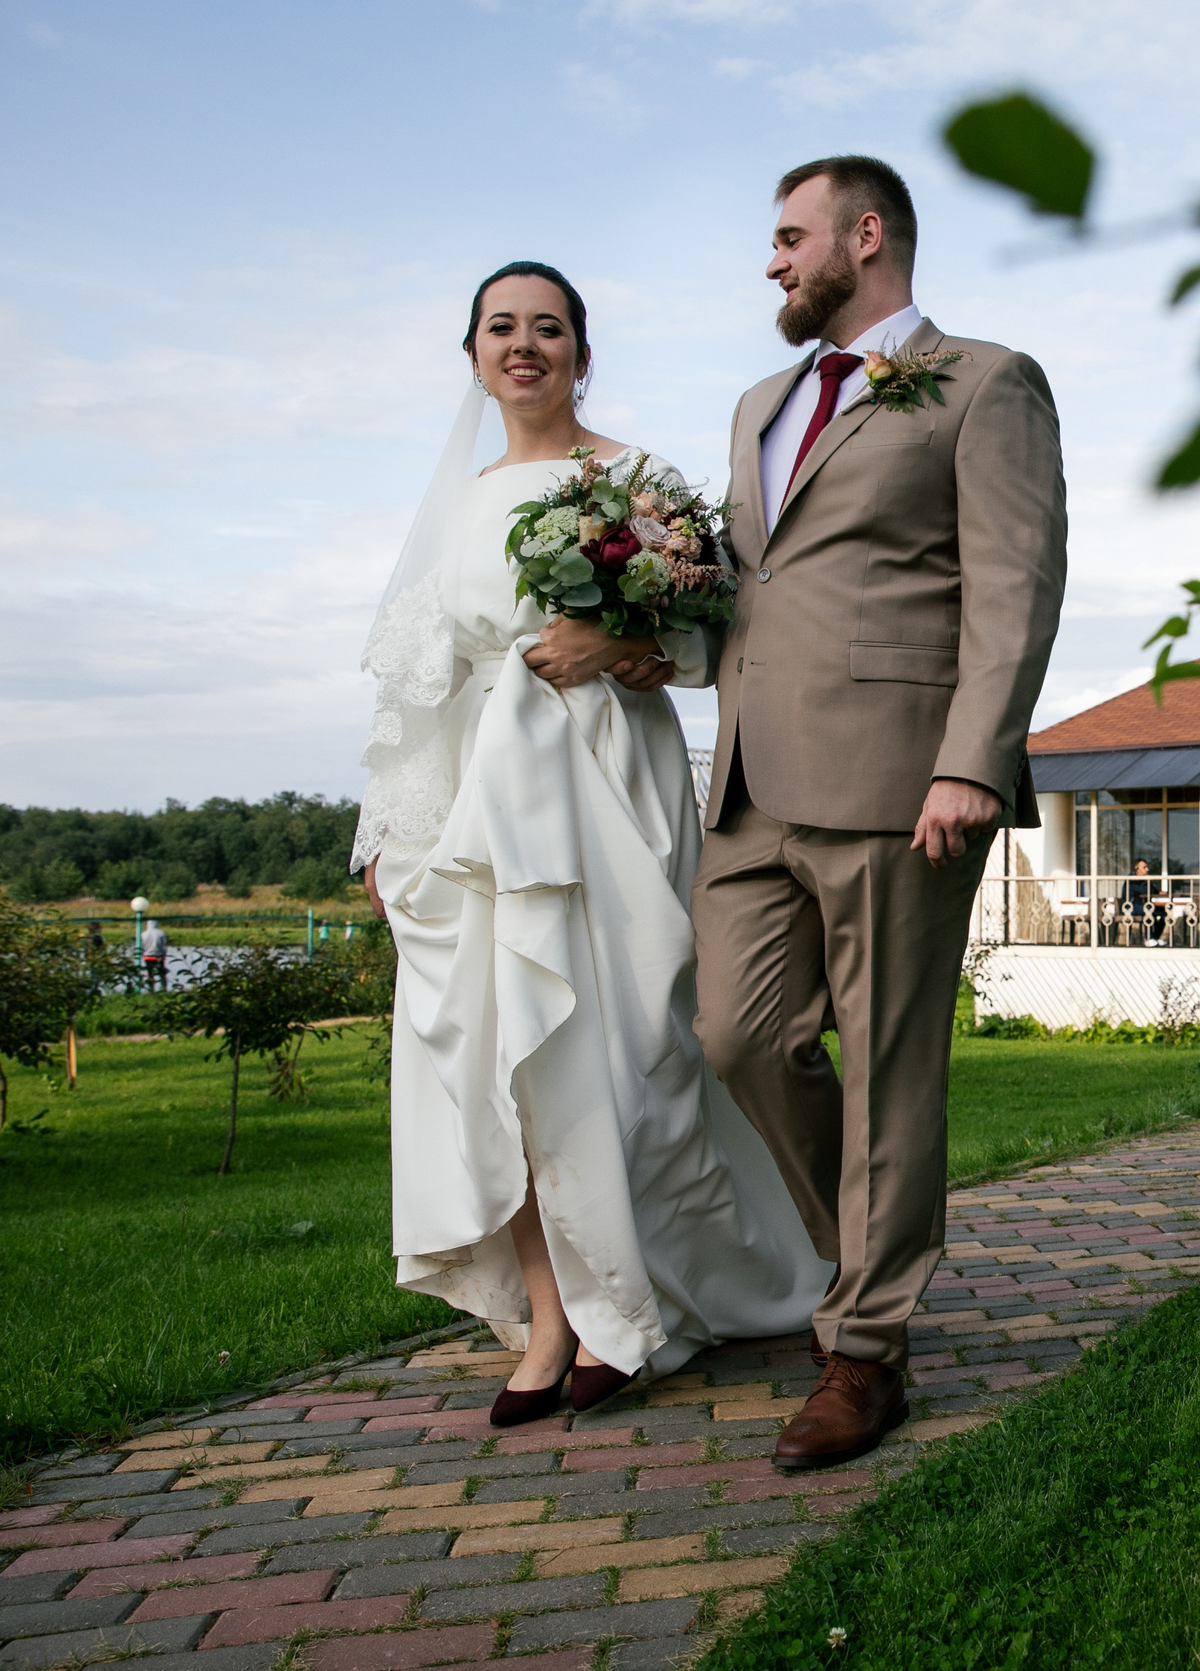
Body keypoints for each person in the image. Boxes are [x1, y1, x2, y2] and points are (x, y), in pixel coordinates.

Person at [352, 261, 829, 1428]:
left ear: (582, 351)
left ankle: (639, 1300)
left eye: (549, 328)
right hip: (475, 806)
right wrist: (385, 835)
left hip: (610, 781)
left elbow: (720, 641)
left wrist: (616, 649)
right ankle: (552, 1317)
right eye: (502, 328)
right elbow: (415, 689)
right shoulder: (453, 504)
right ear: (471, 353)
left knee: (628, 1052)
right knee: (491, 1061)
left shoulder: (639, 480)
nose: (526, 346)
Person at [675, 157, 1066, 1470]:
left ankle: (865, 1348)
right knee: (737, 1032)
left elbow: (1015, 586)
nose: (773, 261)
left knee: (893, 1059)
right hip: (744, 778)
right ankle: (872, 1248)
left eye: (789, 237)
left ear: (868, 234)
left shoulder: (985, 380)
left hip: (904, 779)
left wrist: (974, 756)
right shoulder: (759, 403)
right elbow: (759, 581)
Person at [138, 918, 168, 990]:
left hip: (147, 957)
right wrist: (164, 955)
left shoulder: (143, 934)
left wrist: (143, 954)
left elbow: (141, 946)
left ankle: (151, 989)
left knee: (150, 973)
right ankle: (164, 988)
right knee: (162, 974)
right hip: (159, 956)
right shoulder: (161, 933)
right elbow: (164, 945)